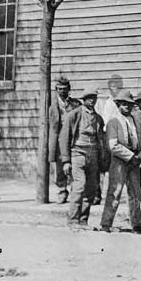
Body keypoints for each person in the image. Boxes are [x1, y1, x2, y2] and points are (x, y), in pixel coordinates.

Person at [100, 89, 141, 234]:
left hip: (134, 160)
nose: (126, 106)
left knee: (136, 192)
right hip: (119, 161)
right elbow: (113, 145)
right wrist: (129, 156)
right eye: (123, 104)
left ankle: (137, 223)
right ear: (118, 104)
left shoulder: (136, 121)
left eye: (129, 104)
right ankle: (106, 224)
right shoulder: (113, 122)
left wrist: (140, 155)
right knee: (115, 191)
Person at [60, 89, 107, 228]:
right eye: (89, 98)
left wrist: (102, 157)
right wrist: (66, 160)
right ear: (83, 99)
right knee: (79, 186)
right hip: (78, 154)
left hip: (93, 155)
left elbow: (101, 140)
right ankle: (73, 220)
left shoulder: (98, 119)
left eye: (94, 98)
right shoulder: (74, 115)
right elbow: (64, 138)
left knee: (91, 189)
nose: (92, 100)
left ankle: (83, 220)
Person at [47, 75, 79, 204]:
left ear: (69, 89)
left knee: (73, 165)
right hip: (58, 140)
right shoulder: (51, 106)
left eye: (65, 89)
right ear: (56, 90)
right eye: (59, 89)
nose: (62, 91)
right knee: (60, 167)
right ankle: (61, 190)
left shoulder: (75, 104)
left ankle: (74, 191)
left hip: (72, 139)